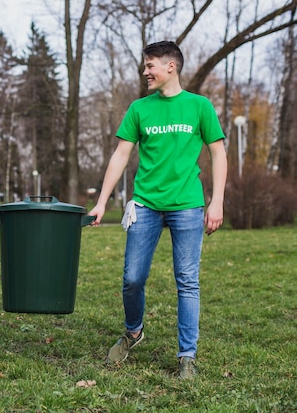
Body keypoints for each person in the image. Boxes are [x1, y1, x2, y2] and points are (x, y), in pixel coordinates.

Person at [87, 41, 227, 380]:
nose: (146, 72)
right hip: (145, 204)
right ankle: (133, 332)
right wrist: (103, 200)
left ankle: (187, 356)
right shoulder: (139, 109)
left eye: (150, 65)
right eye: (145, 66)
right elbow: (121, 155)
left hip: (188, 205)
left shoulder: (199, 106)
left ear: (170, 67)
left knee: (187, 281)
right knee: (132, 278)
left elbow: (218, 153)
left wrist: (217, 200)